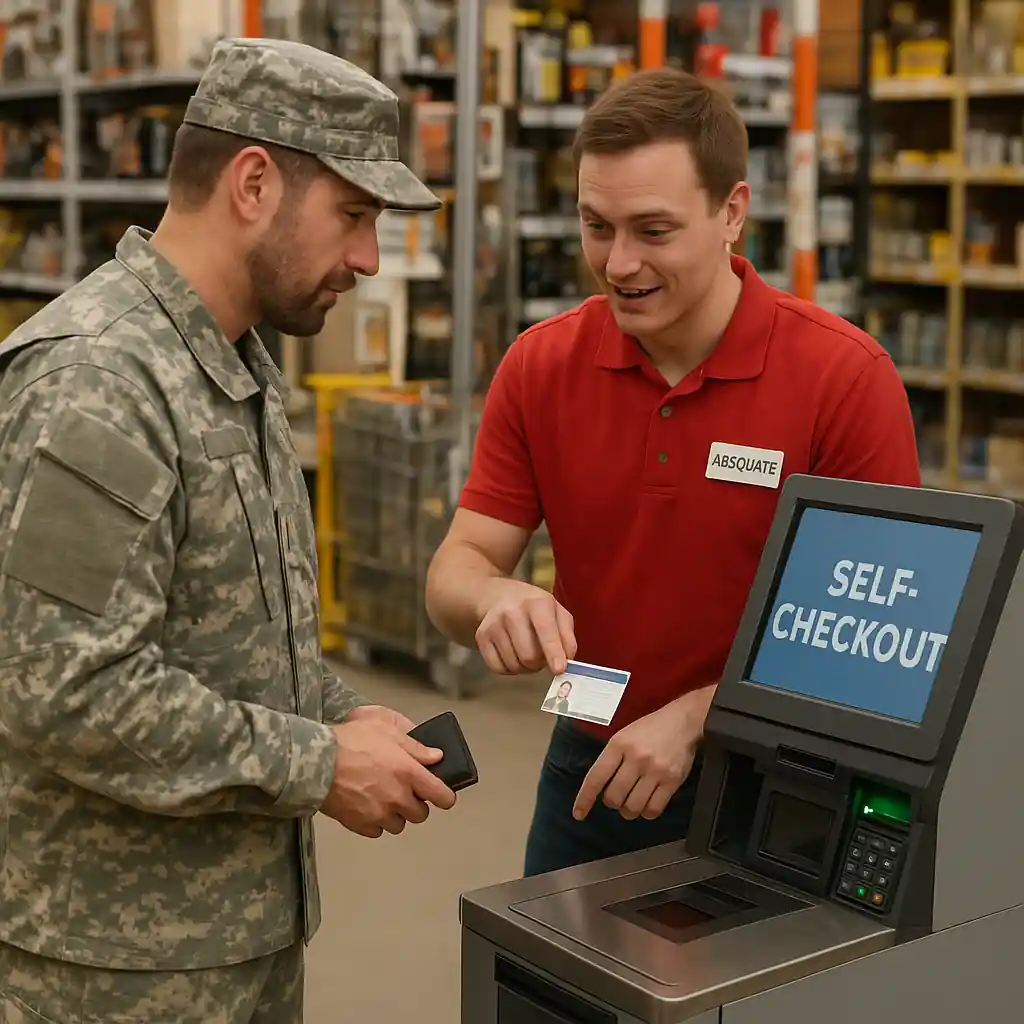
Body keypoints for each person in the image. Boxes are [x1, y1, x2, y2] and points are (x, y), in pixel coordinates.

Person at [0, 37, 456, 1024]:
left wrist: (339, 715)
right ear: (253, 183)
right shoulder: (103, 382)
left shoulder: (231, 364)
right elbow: (64, 686)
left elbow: (224, 633)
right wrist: (319, 762)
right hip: (116, 971)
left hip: (233, 938)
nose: (368, 259)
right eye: (353, 214)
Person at [425, 68, 921, 878]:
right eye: (596, 226)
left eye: (653, 231)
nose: (618, 264)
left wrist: (701, 717)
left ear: (732, 211)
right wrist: (493, 595)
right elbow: (453, 573)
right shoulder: (540, 367)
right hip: (590, 768)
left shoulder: (843, 379)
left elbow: (873, 653)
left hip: (781, 790)